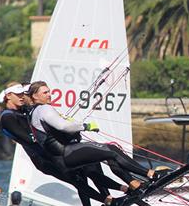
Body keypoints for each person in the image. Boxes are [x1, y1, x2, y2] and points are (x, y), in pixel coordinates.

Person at [0, 82, 124, 206]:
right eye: (19, 94)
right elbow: (31, 139)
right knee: (78, 180)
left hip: (51, 154)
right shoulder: (7, 117)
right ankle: (108, 201)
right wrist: (60, 131)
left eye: (23, 94)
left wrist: (65, 125)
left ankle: (98, 205)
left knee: (87, 170)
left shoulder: (23, 111)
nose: (22, 97)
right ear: (8, 96)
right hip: (43, 160)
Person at [26, 81, 166, 192]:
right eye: (45, 92)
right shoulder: (43, 109)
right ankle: (151, 174)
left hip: (61, 156)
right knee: (112, 150)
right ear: (35, 96)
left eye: (49, 91)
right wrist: (85, 126)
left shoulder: (34, 112)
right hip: (66, 152)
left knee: (108, 155)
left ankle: (134, 184)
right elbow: (64, 127)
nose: (49, 94)